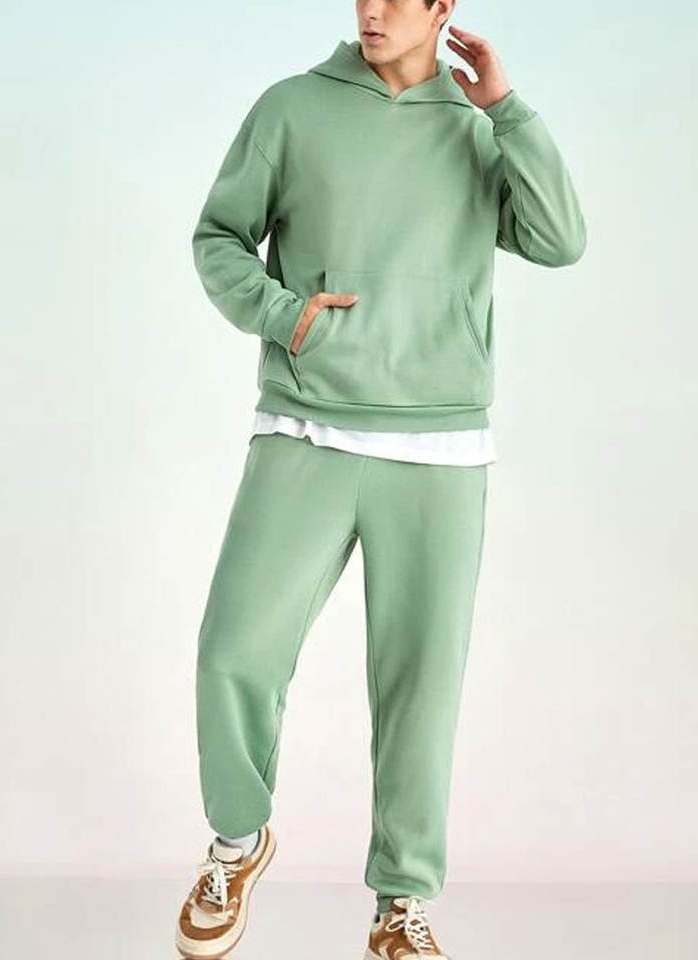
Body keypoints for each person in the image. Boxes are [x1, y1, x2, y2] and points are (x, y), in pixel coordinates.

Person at [175, 2, 586, 957]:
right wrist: (286, 317)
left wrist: (508, 109)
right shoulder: (292, 108)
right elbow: (218, 238)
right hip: (305, 426)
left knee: (419, 689)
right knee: (234, 652)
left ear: (443, 9)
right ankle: (237, 841)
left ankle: (401, 904)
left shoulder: (478, 128)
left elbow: (559, 239)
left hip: (439, 445)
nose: (372, 8)